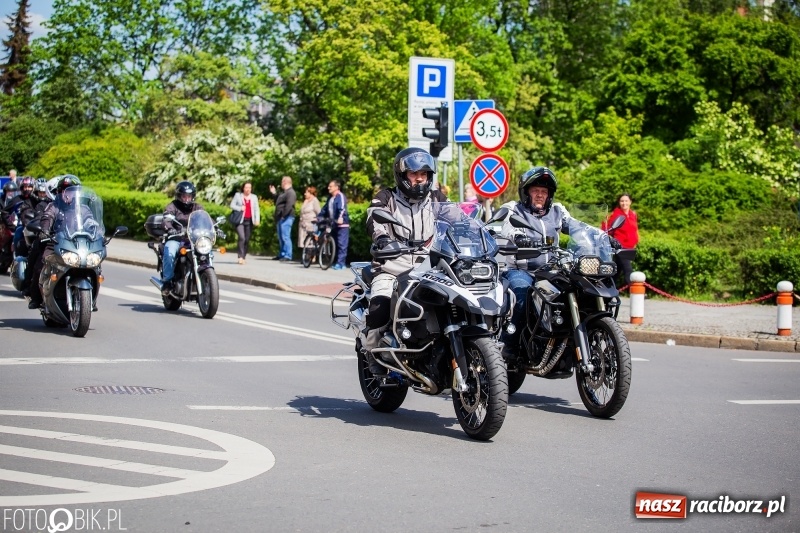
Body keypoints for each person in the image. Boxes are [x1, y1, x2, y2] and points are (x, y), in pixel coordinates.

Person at [363, 147, 447, 374]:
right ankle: (371, 351)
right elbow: (374, 218)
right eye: (414, 174)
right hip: (393, 264)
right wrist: (381, 239)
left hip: (430, 266)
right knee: (381, 301)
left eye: (424, 174)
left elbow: (458, 219)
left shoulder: (438, 199)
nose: (420, 179)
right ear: (402, 175)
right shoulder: (386, 197)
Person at [497, 167, 584, 358]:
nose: (539, 195)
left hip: (551, 270)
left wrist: (601, 235)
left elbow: (577, 226)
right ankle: (509, 345)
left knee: (576, 289)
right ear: (526, 192)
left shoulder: (558, 211)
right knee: (522, 292)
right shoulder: (514, 209)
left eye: (544, 192)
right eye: (535, 190)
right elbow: (506, 226)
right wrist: (518, 237)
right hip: (521, 270)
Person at [28, 175, 95, 308]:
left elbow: (91, 222)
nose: (67, 193)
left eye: (71, 190)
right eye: (64, 190)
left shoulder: (84, 209)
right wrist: (44, 231)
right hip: (56, 242)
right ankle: (35, 296)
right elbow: (47, 217)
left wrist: (97, 233)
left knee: (94, 265)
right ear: (59, 193)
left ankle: (91, 299)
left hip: (77, 243)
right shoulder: (53, 206)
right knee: (42, 263)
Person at [161, 181, 205, 294]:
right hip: (177, 238)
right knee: (169, 252)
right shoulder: (173, 206)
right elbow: (166, 218)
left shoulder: (197, 207)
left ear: (192, 196)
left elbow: (204, 217)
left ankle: (205, 276)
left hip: (193, 239)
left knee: (208, 252)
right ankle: (167, 281)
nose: (186, 199)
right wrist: (170, 228)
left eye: (189, 196)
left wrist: (215, 227)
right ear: (179, 196)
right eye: (184, 196)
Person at [602, 192, 639, 285]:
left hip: (630, 247)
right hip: (621, 247)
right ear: (619, 202)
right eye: (622, 201)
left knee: (617, 271)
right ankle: (634, 291)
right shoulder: (616, 214)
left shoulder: (632, 214)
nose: (624, 203)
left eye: (626, 201)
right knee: (628, 269)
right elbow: (607, 229)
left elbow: (634, 229)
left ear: (630, 202)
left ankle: (609, 289)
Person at [319, 180, 349, 270]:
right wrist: (319, 217)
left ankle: (341, 264)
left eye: (330, 186)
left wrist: (341, 218)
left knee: (342, 244)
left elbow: (342, 208)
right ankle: (335, 262)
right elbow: (325, 209)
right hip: (333, 224)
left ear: (336, 187)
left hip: (342, 224)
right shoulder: (330, 198)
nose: (328, 188)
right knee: (334, 243)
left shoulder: (340, 196)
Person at [229, 181, 260, 264]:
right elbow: (232, 205)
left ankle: (244, 256)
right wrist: (240, 208)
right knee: (242, 237)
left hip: (249, 220)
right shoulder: (238, 195)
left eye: (249, 188)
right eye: (246, 187)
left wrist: (257, 219)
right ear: (243, 188)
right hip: (240, 220)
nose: (248, 189)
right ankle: (240, 256)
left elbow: (256, 209)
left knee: (246, 239)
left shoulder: (254, 197)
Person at [269, 176, 296, 262]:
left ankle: (288, 255)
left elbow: (289, 205)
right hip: (280, 218)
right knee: (281, 237)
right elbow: (278, 201)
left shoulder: (291, 192)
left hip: (286, 217)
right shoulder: (284, 193)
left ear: (285, 182)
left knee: (285, 236)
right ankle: (282, 254)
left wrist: (284, 215)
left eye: (282, 182)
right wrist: (274, 193)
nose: (281, 183)